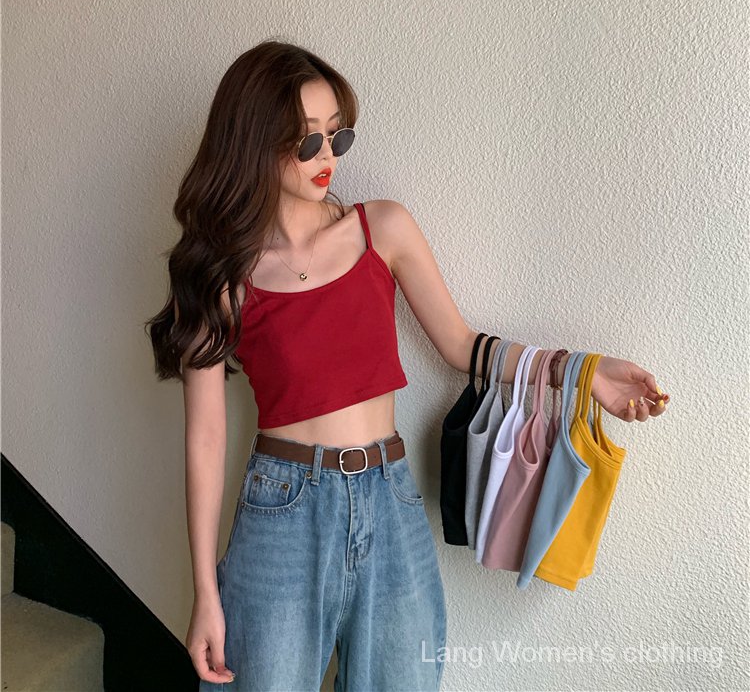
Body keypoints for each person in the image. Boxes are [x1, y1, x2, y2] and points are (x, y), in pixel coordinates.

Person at [145, 39, 670, 692]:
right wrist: (206, 590)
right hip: (281, 510)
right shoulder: (220, 276)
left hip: (389, 499)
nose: (328, 158)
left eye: (338, 135)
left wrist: (584, 374)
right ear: (253, 141)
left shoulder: (382, 229)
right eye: (307, 141)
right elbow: (205, 436)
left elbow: (461, 344)